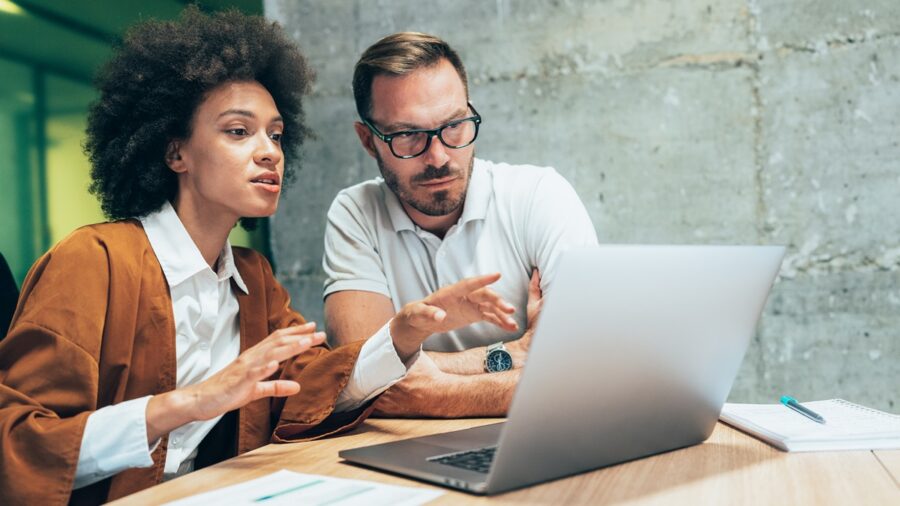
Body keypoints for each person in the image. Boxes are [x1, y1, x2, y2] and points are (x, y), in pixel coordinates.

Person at [0, 12, 516, 505]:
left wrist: (402, 333)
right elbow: (18, 445)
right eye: (238, 131)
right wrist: (189, 403)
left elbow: (311, 388)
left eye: (275, 133)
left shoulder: (252, 277)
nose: (269, 151)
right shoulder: (92, 261)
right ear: (174, 152)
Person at [324, 32, 598, 418]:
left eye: (454, 126)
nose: (438, 157)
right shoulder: (356, 212)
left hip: (537, 432)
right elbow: (356, 378)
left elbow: (587, 369)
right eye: (407, 135)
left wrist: (437, 392)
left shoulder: (539, 195)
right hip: (407, 448)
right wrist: (516, 353)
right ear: (368, 140)